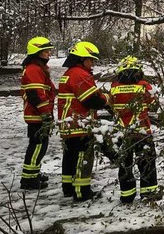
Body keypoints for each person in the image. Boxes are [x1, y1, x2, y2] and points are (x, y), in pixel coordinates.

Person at [57, 41, 111, 202]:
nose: (92, 63)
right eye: (91, 59)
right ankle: (82, 192)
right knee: (83, 157)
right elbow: (92, 100)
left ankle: (68, 188)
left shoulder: (69, 73)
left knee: (70, 157)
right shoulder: (80, 74)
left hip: (68, 124)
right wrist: (107, 99)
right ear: (81, 59)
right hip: (80, 124)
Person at [110, 56, 159, 203]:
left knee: (125, 165)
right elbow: (154, 103)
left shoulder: (114, 87)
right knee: (147, 163)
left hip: (121, 133)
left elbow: (111, 104)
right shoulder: (144, 86)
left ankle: (127, 195)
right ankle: (148, 193)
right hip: (141, 132)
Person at [19, 36, 57, 190]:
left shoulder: (37, 68)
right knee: (37, 146)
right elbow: (36, 94)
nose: (48, 53)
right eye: (45, 50)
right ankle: (29, 179)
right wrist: (45, 113)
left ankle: (33, 173)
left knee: (39, 146)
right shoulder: (34, 69)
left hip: (38, 114)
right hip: (37, 115)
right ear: (37, 52)